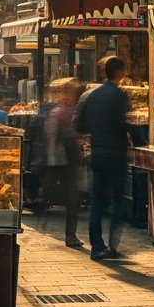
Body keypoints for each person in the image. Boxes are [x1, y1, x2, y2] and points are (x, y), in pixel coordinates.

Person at [75, 56, 132, 260]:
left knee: (97, 201)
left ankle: (97, 247)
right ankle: (113, 245)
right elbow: (124, 124)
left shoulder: (93, 95)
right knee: (118, 200)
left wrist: (96, 130)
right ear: (120, 72)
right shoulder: (119, 96)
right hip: (116, 154)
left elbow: (79, 125)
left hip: (98, 153)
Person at [44, 78, 87, 247]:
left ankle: (71, 235)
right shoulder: (57, 112)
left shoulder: (73, 110)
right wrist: (52, 160)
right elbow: (52, 137)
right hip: (63, 159)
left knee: (73, 198)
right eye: (68, 92)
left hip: (72, 158)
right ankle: (69, 235)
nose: (71, 95)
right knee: (71, 196)